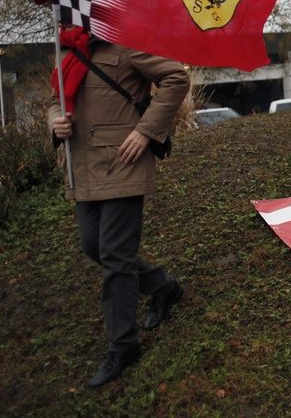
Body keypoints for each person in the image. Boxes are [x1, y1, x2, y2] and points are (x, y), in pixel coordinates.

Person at [49, 26, 190, 388]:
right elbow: (58, 100)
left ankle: (123, 345)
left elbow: (175, 77)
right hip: (83, 167)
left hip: (123, 161)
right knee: (92, 245)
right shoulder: (68, 51)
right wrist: (55, 121)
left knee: (115, 254)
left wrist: (145, 131)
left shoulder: (126, 43)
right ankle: (163, 288)